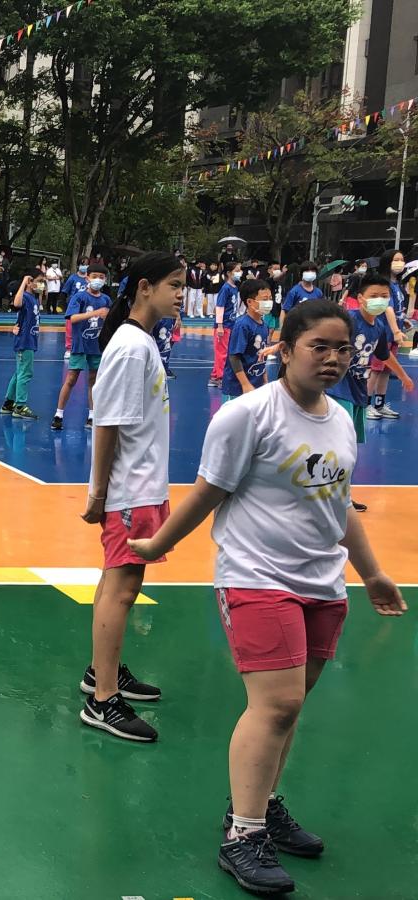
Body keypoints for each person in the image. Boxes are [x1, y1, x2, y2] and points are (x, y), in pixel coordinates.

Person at [128, 299, 406, 896]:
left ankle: (260, 804)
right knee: (276, 704)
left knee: (290, 707)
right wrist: (157, 544)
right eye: (318, 347)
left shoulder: (341, 418)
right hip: (256, 576)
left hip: (323, 582)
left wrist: (373, 573)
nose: (332, 359)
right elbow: (208, 493)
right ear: (286, 348)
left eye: (342, 348)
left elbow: (339, 504)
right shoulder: (247, 415)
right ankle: (243, 834)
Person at [76, 252, 182, 744]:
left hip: (141, 484)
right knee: (122, 587)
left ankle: (103, 671)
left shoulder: (141, 342)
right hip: (128, 490)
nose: (181, 294)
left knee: (117, 582)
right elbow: (107, 423)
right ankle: (103, 702)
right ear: (144, 287)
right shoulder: (131, 346)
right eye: (173, 284)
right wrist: (99, 492)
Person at [329, 278, 413, 514]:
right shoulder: (348, 320)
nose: (380, 300)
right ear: (361, 298)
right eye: (374, 295)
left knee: (350, 447)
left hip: (358, 391)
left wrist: (403, 376)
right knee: (338, 444)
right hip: (337, 389)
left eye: (384, 296)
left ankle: (344, 495)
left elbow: (384, 355)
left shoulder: (379, 327)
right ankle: (328, 495)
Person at [51, 264, 110, 430]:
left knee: (93, 381)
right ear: (87, 278)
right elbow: (72, 318)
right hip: (80, 345)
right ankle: (58, 414)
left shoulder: (106, 300)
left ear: (105, 280)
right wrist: (95, 313)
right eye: (94, 276)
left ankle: (92, 416)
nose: (98, 280)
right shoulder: (79, 297)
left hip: (97, 346)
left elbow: (110, 320)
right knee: (71, 379)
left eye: (101, 277)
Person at [366, 249, 408, 418]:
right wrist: (396, 330)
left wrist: (402, 321)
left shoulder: (397, 285)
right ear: (387, 262)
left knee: (386, 370)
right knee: (376, 369)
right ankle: (366, 405)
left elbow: (396, 308)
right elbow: (387, 308)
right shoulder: (384, 284)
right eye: (396, 260)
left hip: (393, 335)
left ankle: (379, 404)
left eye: (402, 260)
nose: (400, 263)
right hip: (383, 334)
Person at [222, 279, 276, 401]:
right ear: (250, 302)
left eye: (270, 299)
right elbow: (234, 357)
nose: (269, 303)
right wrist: (245, 384)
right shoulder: (242, 325)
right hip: (237, 389)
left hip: (255, 386)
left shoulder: (264, 325)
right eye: (264, 299)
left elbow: (262, 357)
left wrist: (265, 380)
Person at [1, 273, 41, 419]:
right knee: (25, 373)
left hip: (30, 339)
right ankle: (20, 406)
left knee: (19, 373)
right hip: (25, 341)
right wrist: (24, 282)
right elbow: (17, 304)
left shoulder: (34, 298)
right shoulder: (25, 296)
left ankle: (8, 403)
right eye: (39, 281)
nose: (42, 284)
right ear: (30, 282)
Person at [208, 261, 242, 385]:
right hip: (224, 325)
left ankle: (214, 376)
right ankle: (220, 377)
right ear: (228, 273)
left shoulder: (235, 288)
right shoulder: (225, 288)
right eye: (237, 270)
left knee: (226, 352)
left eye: (240, 270)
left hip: (231, 324)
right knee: (221, 353)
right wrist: (220, 326)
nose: (239, 273)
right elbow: (220, 307)